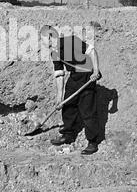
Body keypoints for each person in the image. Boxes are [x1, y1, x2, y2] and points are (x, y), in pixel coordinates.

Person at [40, 25, 102, 155]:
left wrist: (96, 70)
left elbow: (91, 51)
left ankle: (93, 141)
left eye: (43, 38)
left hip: (87, 75)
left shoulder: (71, 41)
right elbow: (59, 74)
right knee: (68, 105)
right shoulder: (54, 53)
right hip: (74, 76)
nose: (42, 42)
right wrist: (59, 97)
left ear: (50, 36)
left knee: (87, 110)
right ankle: (68, 135)